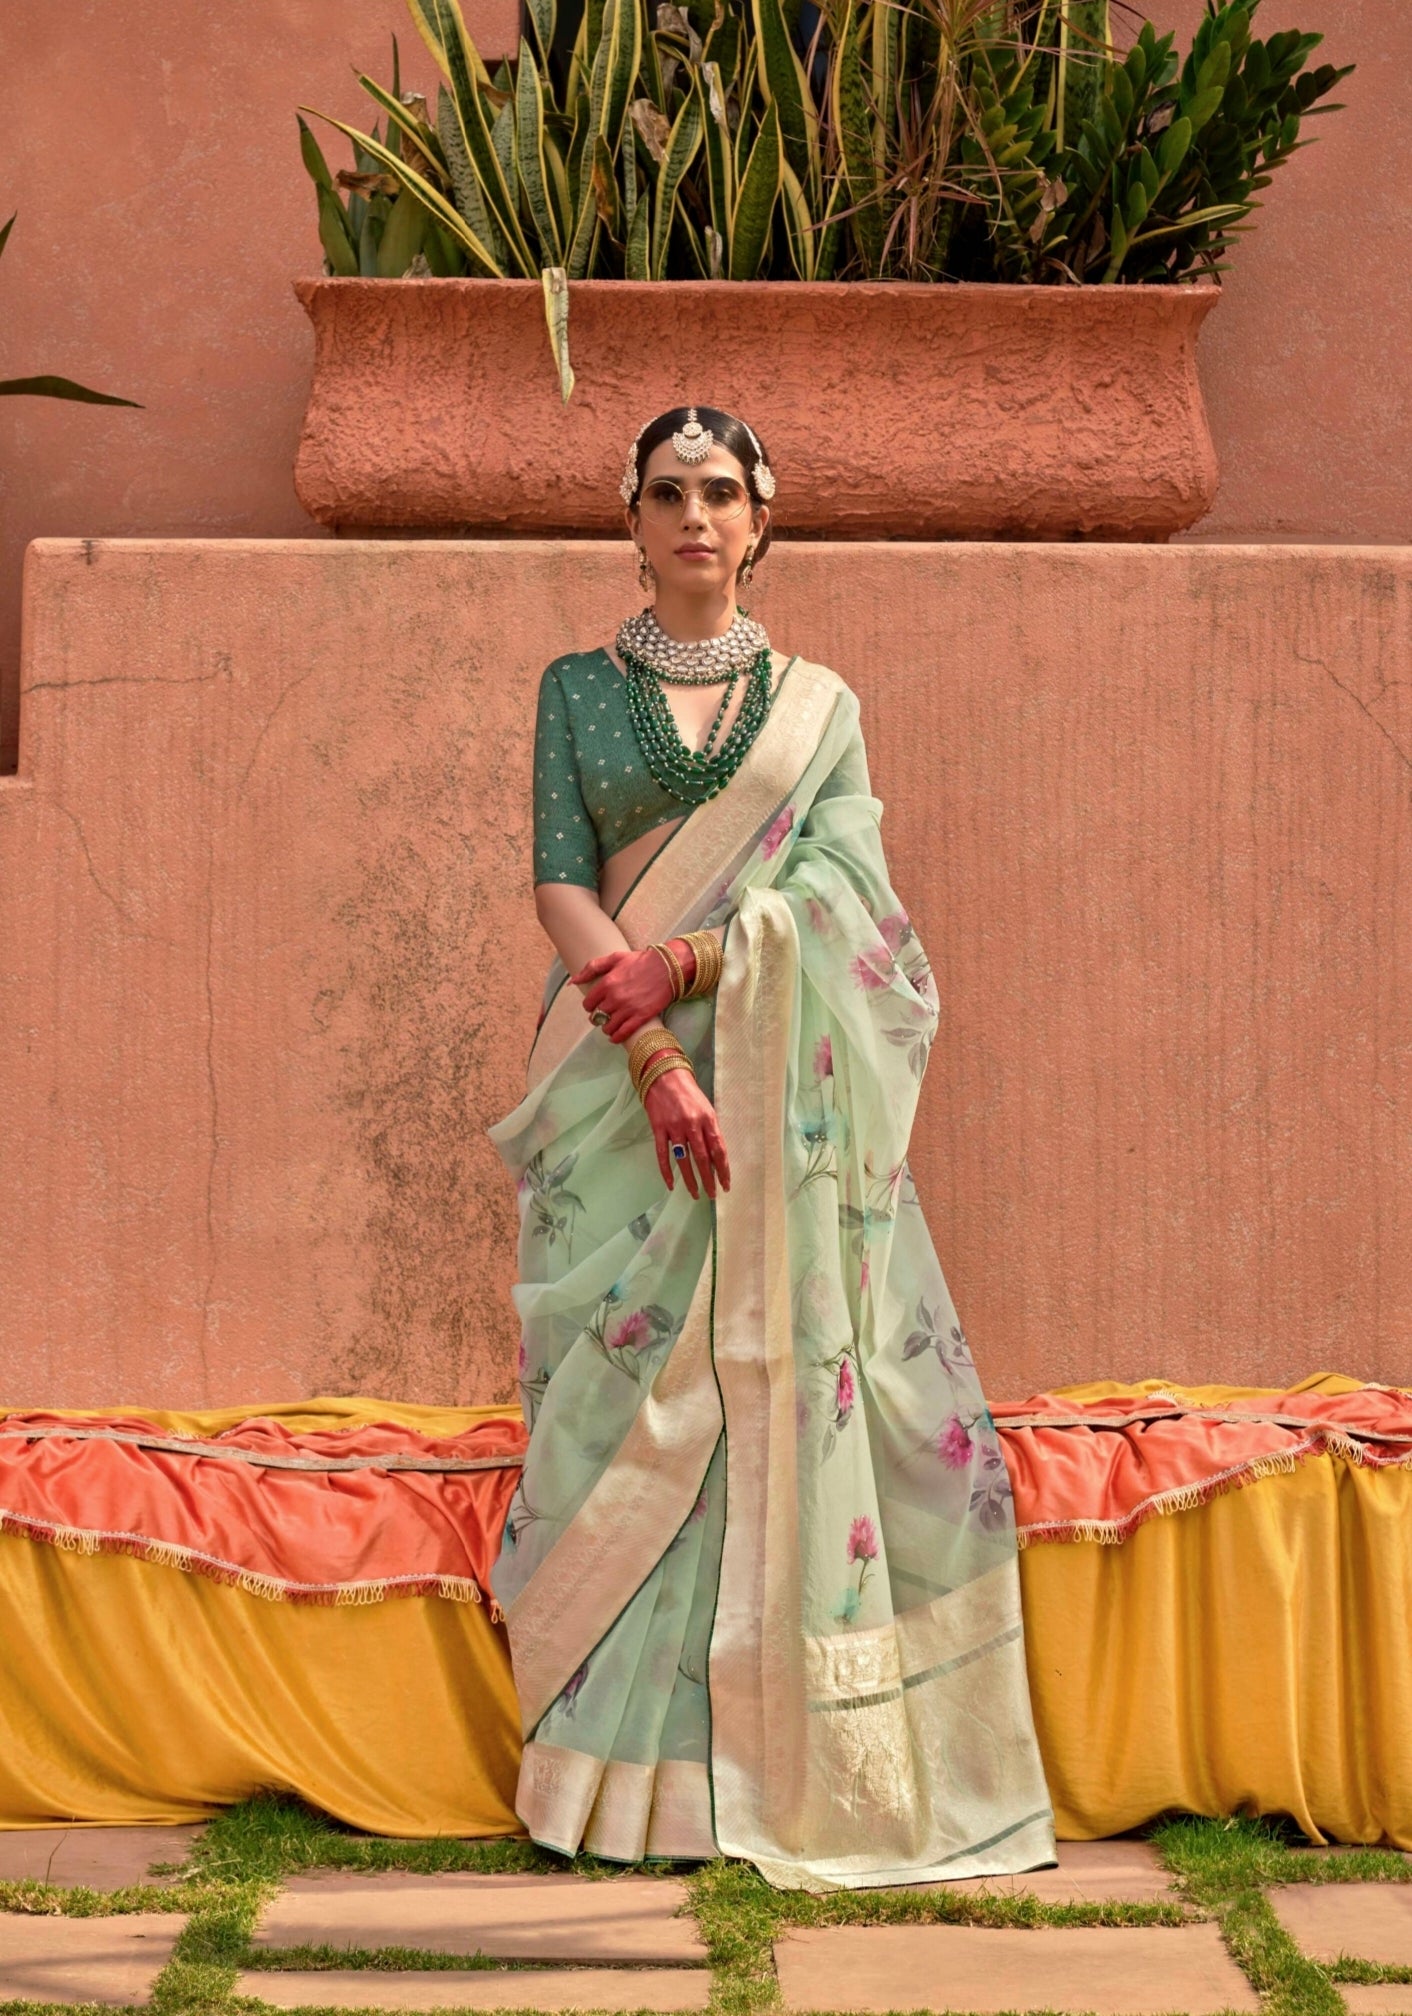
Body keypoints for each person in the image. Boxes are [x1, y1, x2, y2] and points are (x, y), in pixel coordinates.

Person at [487, 405, 1055, 1893]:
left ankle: (782, 1765)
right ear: (632, 517)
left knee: (771, 1400)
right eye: (667, 492)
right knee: (620, 1399)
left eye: (720, 493)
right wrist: (658, 1049)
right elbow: (558, 881)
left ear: (761, 520)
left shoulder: (817, 706)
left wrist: (688, 966)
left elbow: (856, 909)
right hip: (617, 1090)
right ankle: (615, 1788)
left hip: (767, 1098)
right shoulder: (573, 689)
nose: (694, 517)